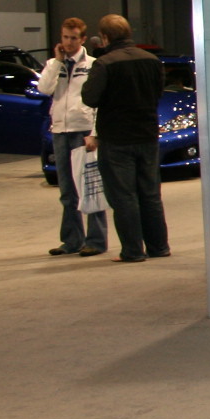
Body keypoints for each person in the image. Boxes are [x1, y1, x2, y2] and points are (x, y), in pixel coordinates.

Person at [80, 14, 168, 264]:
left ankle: (132, 250)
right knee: (150, 194)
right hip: (148, 135)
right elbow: (158, 92)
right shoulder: (152, 61)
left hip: (117, 138)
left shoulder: (104, 64)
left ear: (105, 37)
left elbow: (90, 98)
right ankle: (159, 247)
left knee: (124, 196)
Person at [36, 17, 107, 257]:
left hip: (84, 133)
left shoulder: (94, 65)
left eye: (73, 38)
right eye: (65, 37)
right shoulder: (53, 64)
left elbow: (99, 104)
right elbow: (44, 89)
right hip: (60, 132)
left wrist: (94, 133)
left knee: (90, 187)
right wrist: (56, 62)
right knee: (67, 191)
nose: (68, 42)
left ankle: (96, 241)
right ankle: (71, 240)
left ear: (83, 39)